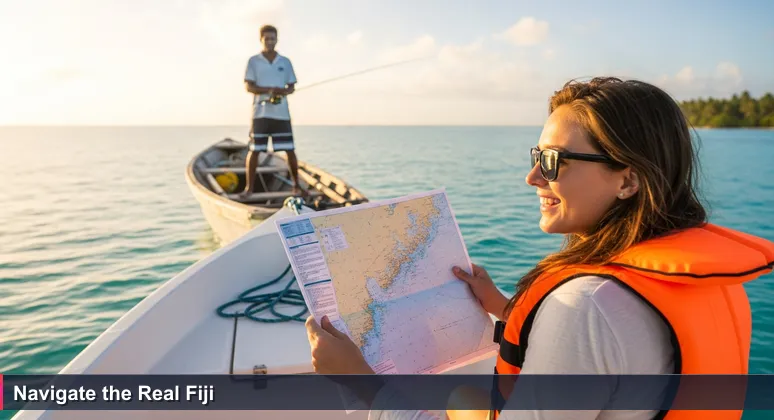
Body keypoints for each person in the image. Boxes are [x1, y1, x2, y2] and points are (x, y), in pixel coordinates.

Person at [304, 77, 774, 420]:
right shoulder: (705, 281)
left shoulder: (585, 306)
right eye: (535, 157)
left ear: (628, 180)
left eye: (552, 161)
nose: (533, 178)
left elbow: (598, 329)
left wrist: (363, 385)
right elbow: (622, 354)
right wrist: (504, 308)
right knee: (463, 401)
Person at [240, 24, 304, 199]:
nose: (270, 42)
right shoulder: (253, 61)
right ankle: (249, 189)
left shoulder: (285, 62)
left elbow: (291, 87)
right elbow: (248, 86)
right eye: (266, 39)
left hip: (281, 114)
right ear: (261, 40)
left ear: (277, 40)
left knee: (289, 149)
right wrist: (268, 90)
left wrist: (282, 91)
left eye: (272, 38)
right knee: (255, 150)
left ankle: (296, 186)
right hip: (260, 114)